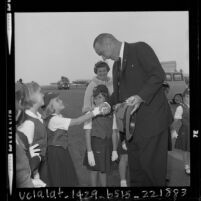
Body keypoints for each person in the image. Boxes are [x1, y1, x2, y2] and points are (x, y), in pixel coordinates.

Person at [93, 33, 173, 186]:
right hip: (131, 129)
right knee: (136, 174)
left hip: (152, 124)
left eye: (101, 53)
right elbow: (118, 94)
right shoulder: (116, 66)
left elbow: (158, 75)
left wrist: (140, 97)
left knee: (152, 174)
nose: (103, 58)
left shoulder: (139, 48)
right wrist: (107, 104)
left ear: (109, 43)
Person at [41, 91, 110, 187]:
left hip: (62, 151)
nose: (61, 101)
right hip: (56, 153)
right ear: (51, 107)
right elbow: (77, 121)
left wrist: (95, 108)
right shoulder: (54, 120)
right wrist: (97, 111)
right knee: (60, 178)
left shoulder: (56, 117)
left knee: (66, 177)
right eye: (57, 100)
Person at [83, 85, 118, 187]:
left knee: (104, 170)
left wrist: (115, 149)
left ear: (106, 98)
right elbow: (87, 132)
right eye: (95, 97)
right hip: (95, 144)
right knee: (94, 170)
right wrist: (89, 152)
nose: (97, 100)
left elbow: (114, 131)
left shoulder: (112, 114)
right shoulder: (90, 113)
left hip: (107, 145)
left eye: (100, 97)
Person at [17, 81, 49, 185]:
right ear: (31, 96)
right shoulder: (28, 123)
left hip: (41, 164)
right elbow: (24, 154)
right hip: (33, 170)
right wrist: (35, 174)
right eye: (40, 92)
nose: (43, 94)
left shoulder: (38, 116)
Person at [171, 88, 190, 175]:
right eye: (187, 96)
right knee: (186, 149)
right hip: (185, 131)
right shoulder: (180, 107)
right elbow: (175, 120)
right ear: (184, 97)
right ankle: (187, 166)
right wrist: (173, 130)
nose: (189, 98)